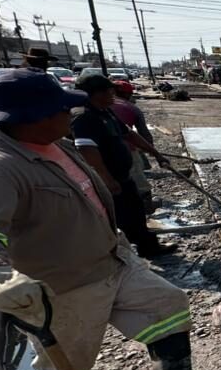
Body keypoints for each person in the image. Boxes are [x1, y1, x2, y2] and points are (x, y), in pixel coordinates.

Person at [0, 70, 221, 370]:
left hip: (113, 260)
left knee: (166, 302)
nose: (69, 115)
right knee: (68, 363)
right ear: (35, 117)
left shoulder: (59, 144)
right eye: (62, 109)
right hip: (65, 284)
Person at [72, 74, 174, 259]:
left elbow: (130, 135)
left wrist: (157, 155)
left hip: (122, 176)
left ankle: (148, 248)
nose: (113, 95)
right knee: (115, 219)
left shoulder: (105, 112)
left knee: (135, 211)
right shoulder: (84, 117)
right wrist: (107, 179)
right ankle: (117, 256)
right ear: (96, 93)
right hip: (103, 181)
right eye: (109, 91)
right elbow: (87, 150)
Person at [109, 80, 158, 212]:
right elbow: (144, 134)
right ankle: (145, 204)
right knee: (138, 177)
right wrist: (154, 153)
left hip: (98, 151)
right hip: (125, 149)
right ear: (127, 94)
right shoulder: (131, 108)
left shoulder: (100, 105)